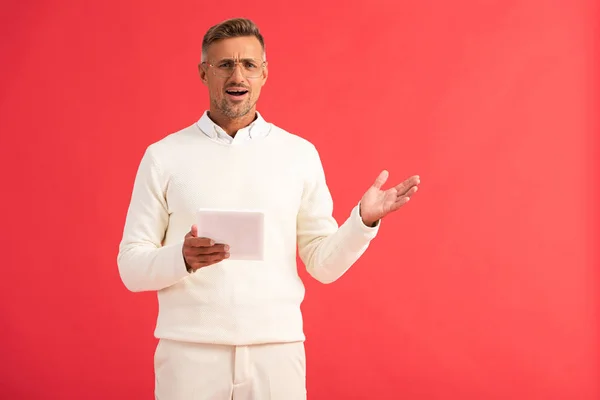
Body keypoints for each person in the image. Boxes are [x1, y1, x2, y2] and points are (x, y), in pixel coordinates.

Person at [117, 17, 420, 400]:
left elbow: (322, 265)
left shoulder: (298, 155)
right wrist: (183, 258)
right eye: (224, 64)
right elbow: (131, 266)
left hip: (276, 353)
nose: (236, 74)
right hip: (188, 354)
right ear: (203, 72)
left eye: (248, 64)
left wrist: (363, 221)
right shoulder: (164, 157)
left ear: (264, 73)